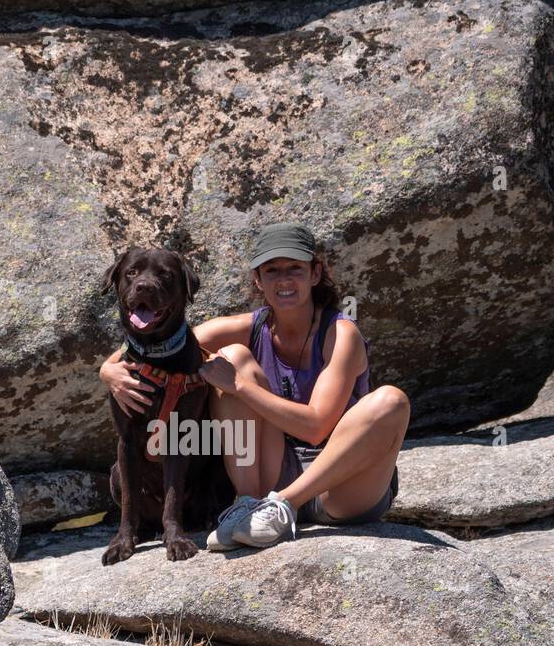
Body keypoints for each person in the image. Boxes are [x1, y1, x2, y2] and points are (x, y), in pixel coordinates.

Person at [98, 222, 410, 551]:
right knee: (235, 357)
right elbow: (168, 343)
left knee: (392, 400)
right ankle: (248, 505)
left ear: (315, 274)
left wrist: (240, 387)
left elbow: (317, 427)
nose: (284, 279)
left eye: (295, 269)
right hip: (273, 478)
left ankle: (282, 507)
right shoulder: (250, 327)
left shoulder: (340, 333)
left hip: (342, 487)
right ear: (258, 280)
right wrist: (109, 370)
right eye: (272, 270)